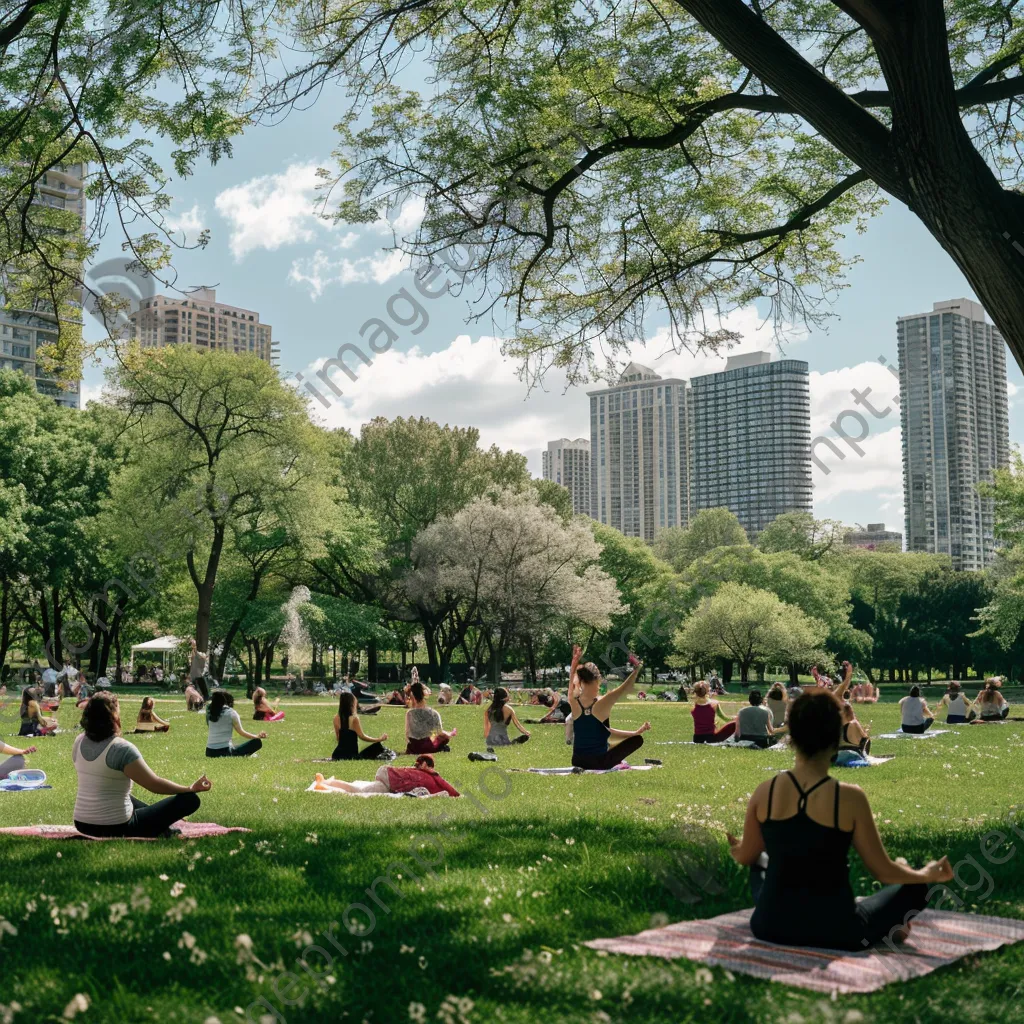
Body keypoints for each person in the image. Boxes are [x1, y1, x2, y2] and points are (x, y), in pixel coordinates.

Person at [727, 688, 953, 950]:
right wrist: (924, 873)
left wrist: (741, 847)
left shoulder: (765, 791)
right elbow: (882, 870)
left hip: (769, 927)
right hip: (839, 931)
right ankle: (890, 923)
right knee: (918, 886)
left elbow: (745, 856)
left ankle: (886, 923)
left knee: (760, 862)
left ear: (792, 735)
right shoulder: (849, 798)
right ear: (836, 736)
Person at [72, 692, 211, 839]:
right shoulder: (122, 749)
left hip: (82, 824)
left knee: (123, 795)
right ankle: (162, 828)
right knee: (190, 799)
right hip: (117, 827)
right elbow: (154, 784)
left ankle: (164, 829)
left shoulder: (79, 741)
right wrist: (189, 789)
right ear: (113, 715)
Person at [567, 646, 650, 769]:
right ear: (598, 679)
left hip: (577, 761)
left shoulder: (574, 702)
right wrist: (636, 669)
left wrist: (574, 664)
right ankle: (619, 763)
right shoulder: (601, 703)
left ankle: (616, 758)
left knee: (606, 735)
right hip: (599, 763)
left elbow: (604, 732)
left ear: (581, 680)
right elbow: (625, 687)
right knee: (637, 740)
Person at [313, 754, 460, 797]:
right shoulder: (431, 775)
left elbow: (448, 790)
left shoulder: (425, 775)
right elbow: (451, 790)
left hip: (387, 777)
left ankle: (328, 783)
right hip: (390, 779)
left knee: (360, 790)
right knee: (360, 791)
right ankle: (327, 783)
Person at [205, 691, 267, 758]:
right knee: (257, 742)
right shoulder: (231, 713)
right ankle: (248, 754)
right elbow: (241, 732)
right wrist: (257, 736)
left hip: (209, 752)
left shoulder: (209, 713)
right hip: (225, 752)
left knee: (236, 742)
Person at [332, 693, 390, 760]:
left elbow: (338, 738)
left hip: (337, 754)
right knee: (379, 748)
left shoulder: (336, 718)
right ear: (352, 704)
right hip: (351, 755)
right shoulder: (354, 718)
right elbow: (362, 736)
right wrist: (379, 739)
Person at [404, 682, 456, 754]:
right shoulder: (433, 713)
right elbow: (440, 732)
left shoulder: (409, 713)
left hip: (412, 747)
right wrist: (450, 734)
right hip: (426, 746)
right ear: (425, 694)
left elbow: (407, 733)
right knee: (444, 738)